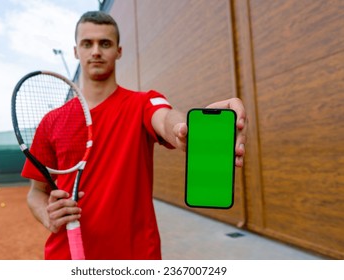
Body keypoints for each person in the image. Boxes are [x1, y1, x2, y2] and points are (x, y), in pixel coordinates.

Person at [22, 11, 247, 260]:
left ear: (119, 51)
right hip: (67, 255)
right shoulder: (51, 121)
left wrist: (189, 130)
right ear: (76, 51)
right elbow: (36, 192)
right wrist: (47, 215)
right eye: (88, 43)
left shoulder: (143, 102)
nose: (96, 51)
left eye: (105, 43)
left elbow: (166, 119)